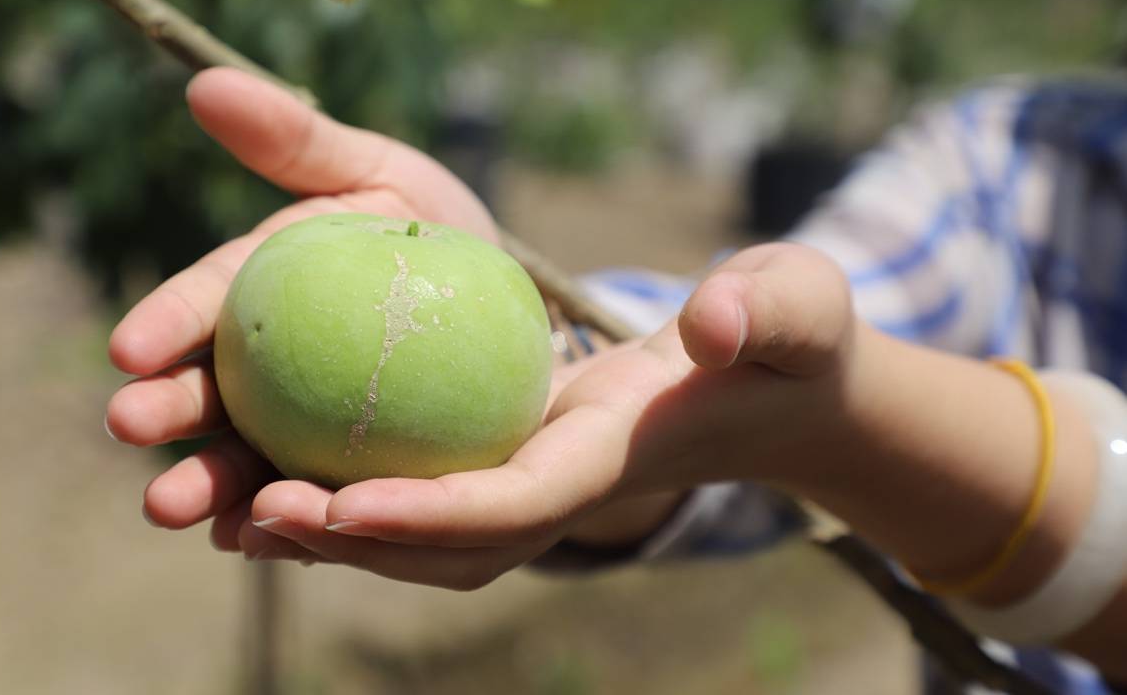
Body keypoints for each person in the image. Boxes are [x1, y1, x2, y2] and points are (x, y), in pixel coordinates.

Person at [105, 67, 1127, 694]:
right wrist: (588, 380)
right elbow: (732, 344)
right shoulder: (1016, 163)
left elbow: (803, 386)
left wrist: (844, 415)